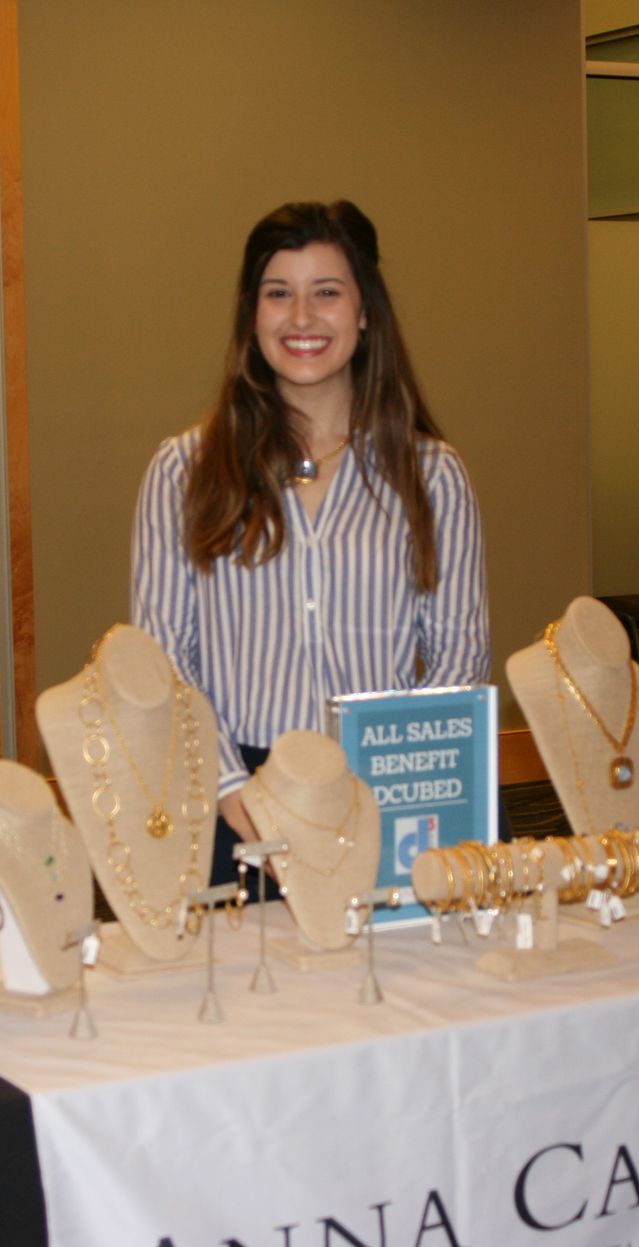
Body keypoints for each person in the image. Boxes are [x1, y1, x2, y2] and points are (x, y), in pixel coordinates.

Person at [130, 200, 491, 885]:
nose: (301, 318)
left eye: (326, 292)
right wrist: (235, 791)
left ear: (363, 313)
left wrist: (398, 778)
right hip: (231, 808)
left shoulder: (434, 477)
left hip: (385, 799)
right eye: (278, 294)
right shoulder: (184, 470)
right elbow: (163, 660)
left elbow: (459, 653)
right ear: (252, 316)